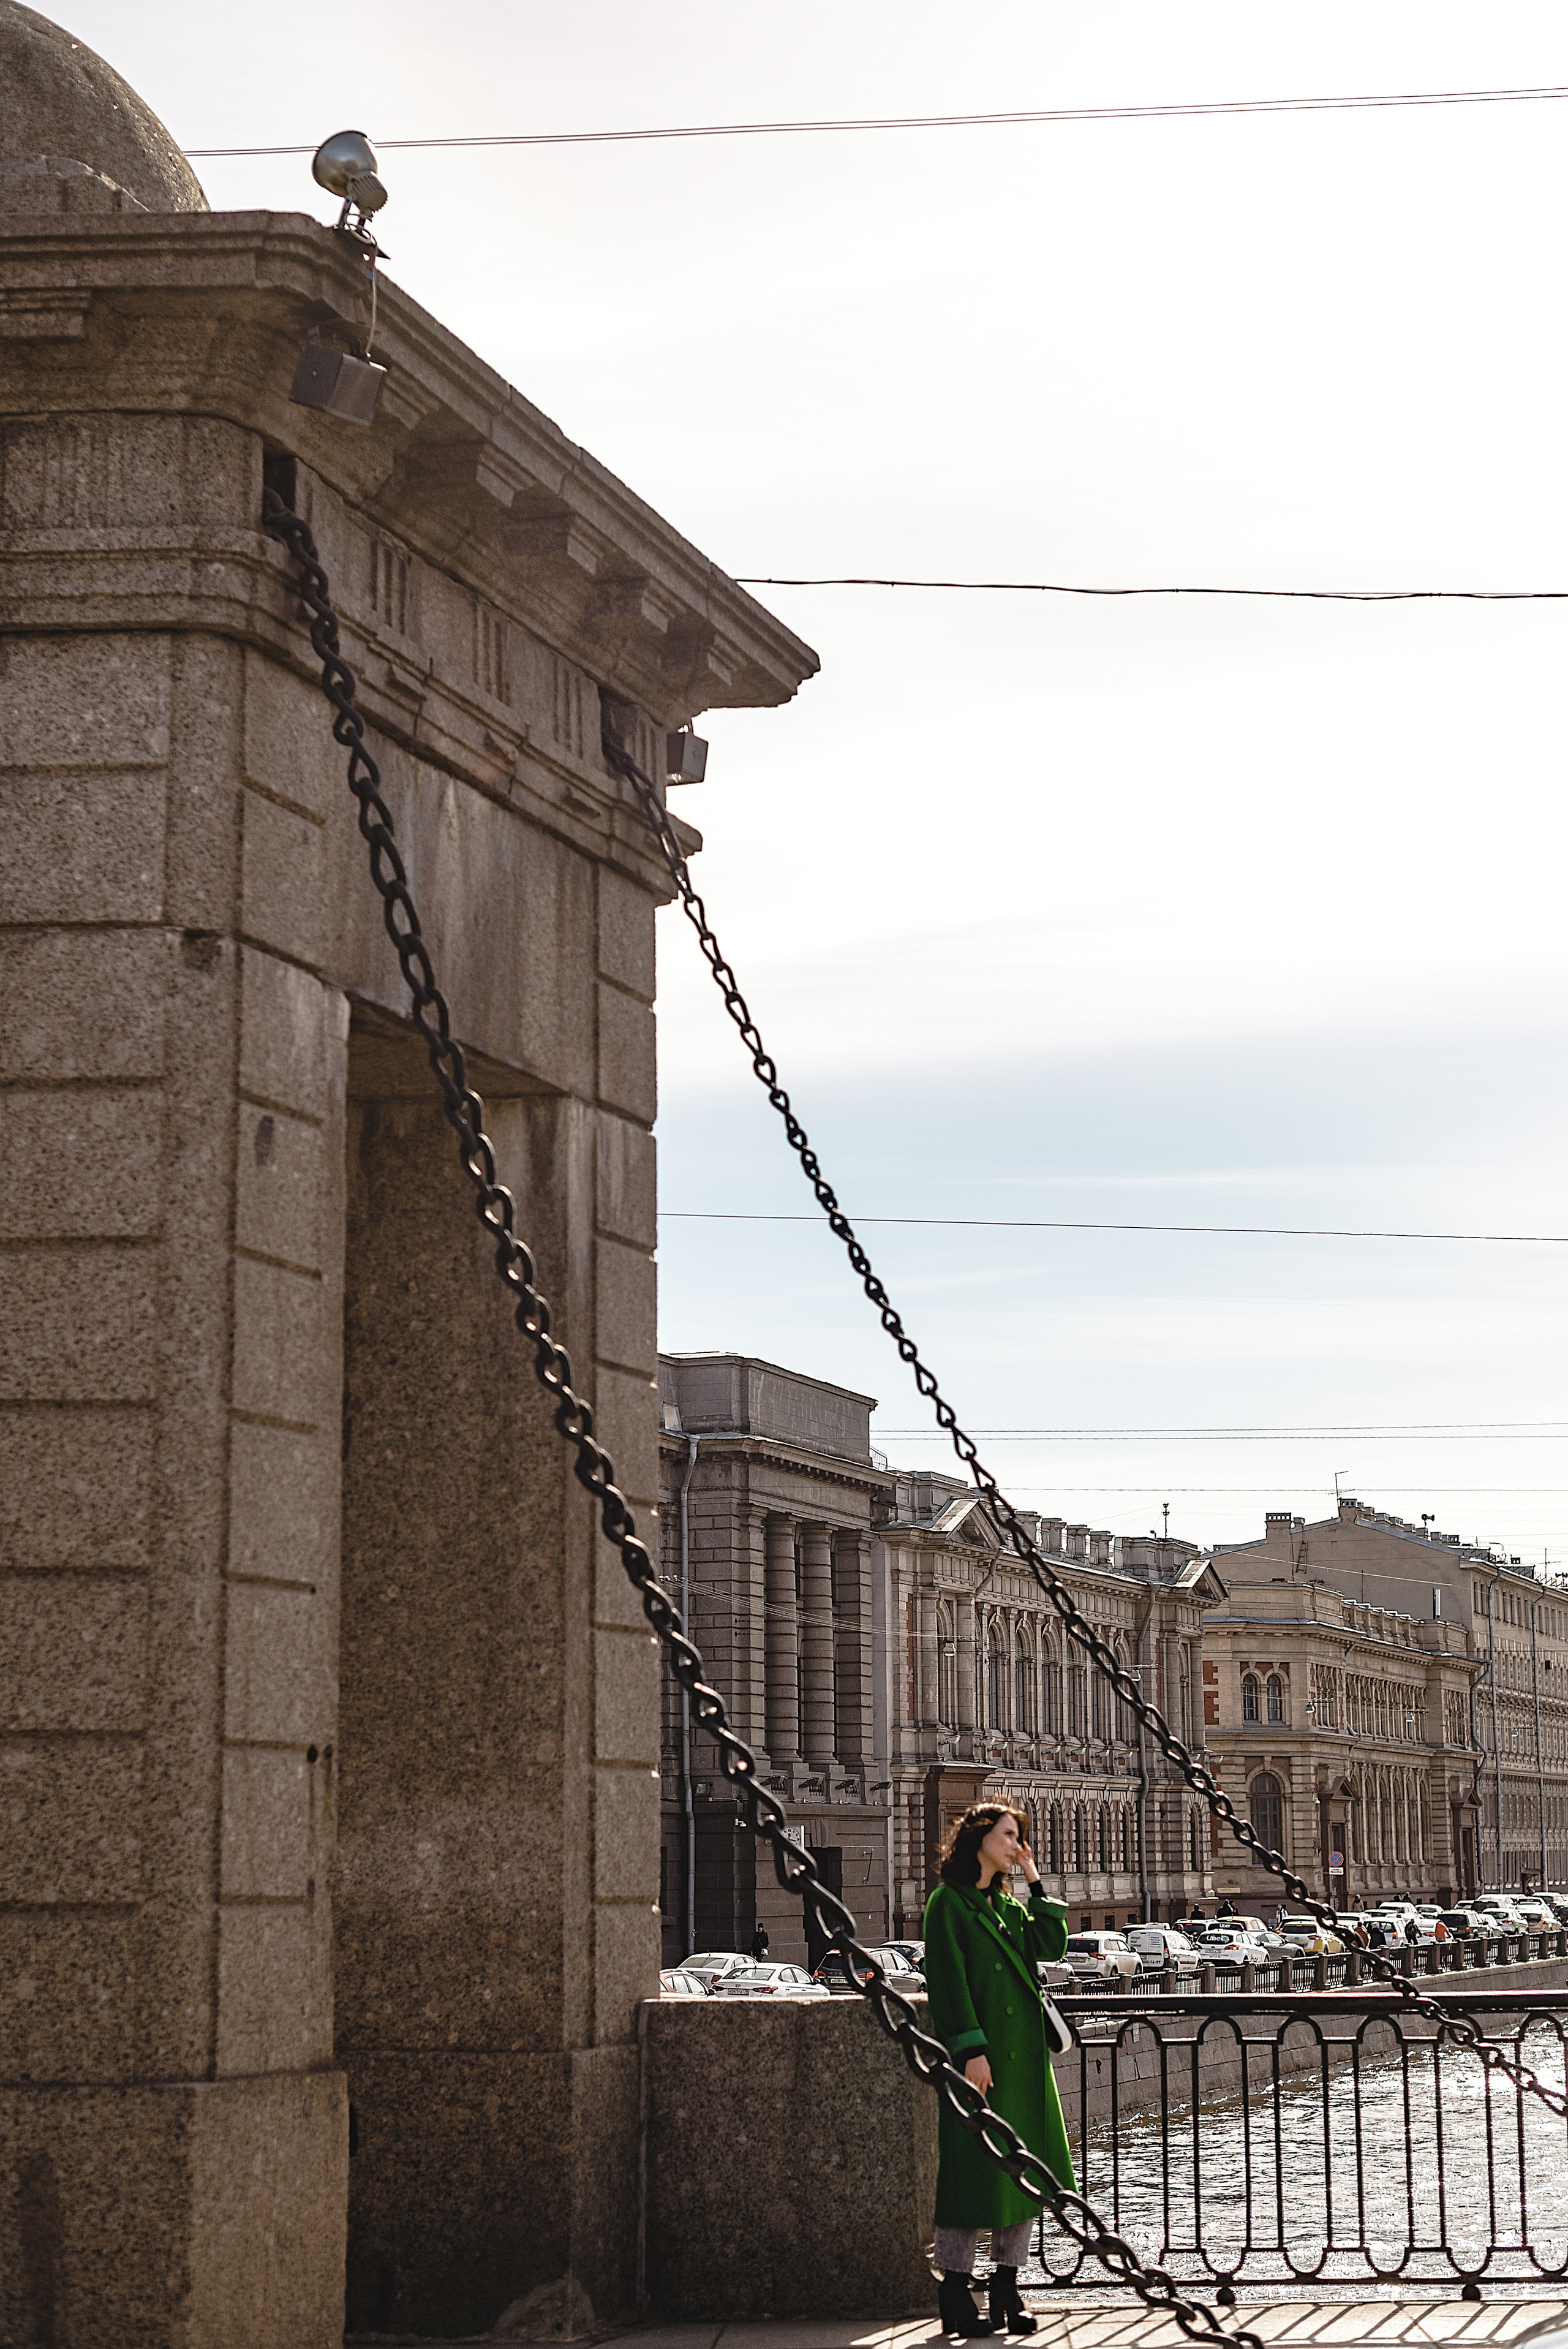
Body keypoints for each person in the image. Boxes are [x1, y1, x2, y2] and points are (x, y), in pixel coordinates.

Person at [923, 1802, 1074, 2338]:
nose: (1017, 1846)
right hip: (984, 2060)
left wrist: (1034, 1879)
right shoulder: (948, 1904)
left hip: (1025, 2060)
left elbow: (1050, 1946)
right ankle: (955, 2287)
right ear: (980, 1837)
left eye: (1021, 1838)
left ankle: (1008, 2286)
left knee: (1022, 2174)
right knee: (969, 2174)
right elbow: (948, 1981)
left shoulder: (1008, 1905)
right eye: (1010, 1836)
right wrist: (970, 2051)